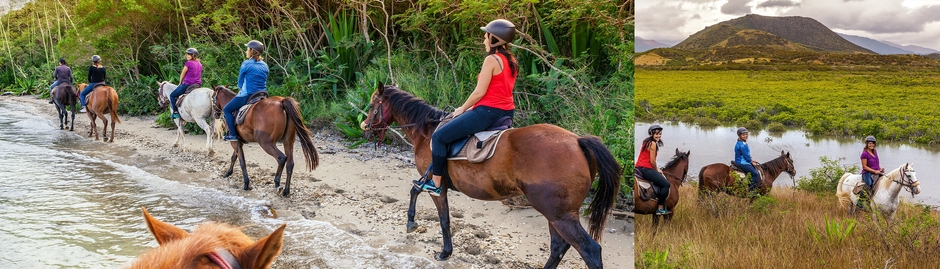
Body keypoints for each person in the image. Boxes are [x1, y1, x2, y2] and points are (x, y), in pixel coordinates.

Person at [419, 19, 519, 196]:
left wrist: (462, 108)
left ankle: (435, 183)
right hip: (506, 112)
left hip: (487, 112)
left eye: (486, 37)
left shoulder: (492, 60)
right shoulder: (510, 59)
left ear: (494, 39)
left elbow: (479, 92)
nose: (484, 41)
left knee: (440, 137)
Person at [222, 40, 269, 142]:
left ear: (252, 51)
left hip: (248, 94)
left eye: (247, 49)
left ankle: (233, 135)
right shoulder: (265, 65)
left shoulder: (246, 64)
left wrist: (241, 89)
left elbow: (240, 83)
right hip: (262, 94)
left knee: (226, 109)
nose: (246, 51)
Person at [636, 124, 670, 215]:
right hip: (646, 169)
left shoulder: (646, 141)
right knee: (666, 184)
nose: (658, 136)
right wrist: (657, 169)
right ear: (651, 134)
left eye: (660, 134)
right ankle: (660, 208)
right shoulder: (653, 143)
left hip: (639, 167)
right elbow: (652, 161)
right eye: (656, 134)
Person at [169, 48, 203, 119]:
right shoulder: (199, 64)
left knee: (172, 95)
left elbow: (182, 74)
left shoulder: (188, 63)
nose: (187, 56)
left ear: (193, 55)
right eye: (187, 54)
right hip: (197, 85)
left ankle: (175, 113)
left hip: (188, 84)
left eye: (189, 54)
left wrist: (180, 83)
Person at [734, 127, 761, 192]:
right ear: (739, 135)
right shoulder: (742, 145)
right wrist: (751, 162)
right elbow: (746, 156)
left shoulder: (742, 142)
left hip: (742, 160)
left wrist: (752, 158)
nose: (745, 136)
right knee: (755, 174)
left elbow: (747, 154)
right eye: (743, 135)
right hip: (742, 162)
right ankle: (751, 190)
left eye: (746, 134)